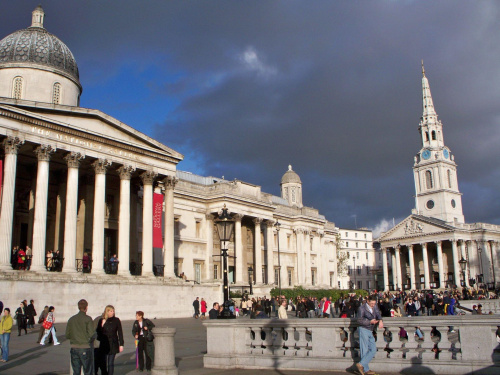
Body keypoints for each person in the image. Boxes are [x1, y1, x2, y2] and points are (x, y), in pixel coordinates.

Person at [65, 299, 94, 375]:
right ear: (86, 307)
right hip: (85, 347)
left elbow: (67, 335)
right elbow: (91, 334)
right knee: (87, 371)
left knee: (76, 371)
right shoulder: (88, 319)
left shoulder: (71, 319)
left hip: (74, 347)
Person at [356, 296, 383, 375]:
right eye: (371, 303)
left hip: (370, 330)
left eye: (374, 303)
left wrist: (380, 320)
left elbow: (378, 313)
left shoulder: (375, 306)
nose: (373, 305)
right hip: (363, 329)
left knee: (373, 349)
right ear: (367, 301)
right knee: (364, 350)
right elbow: (359, 320)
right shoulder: (362, 308)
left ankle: (361, 365)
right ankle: (365, 370)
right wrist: (370, 322)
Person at [96, 305, 124, 375]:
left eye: (113, 311)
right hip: (104, 344)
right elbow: (98, 334)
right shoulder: (101, 320)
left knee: (110, 363)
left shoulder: (116, 320)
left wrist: (121, 344)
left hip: (113, 343)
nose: (113, 312)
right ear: (107, 311)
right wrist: (102, 326)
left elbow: (120, 333)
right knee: (103, 363)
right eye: (111, 311)